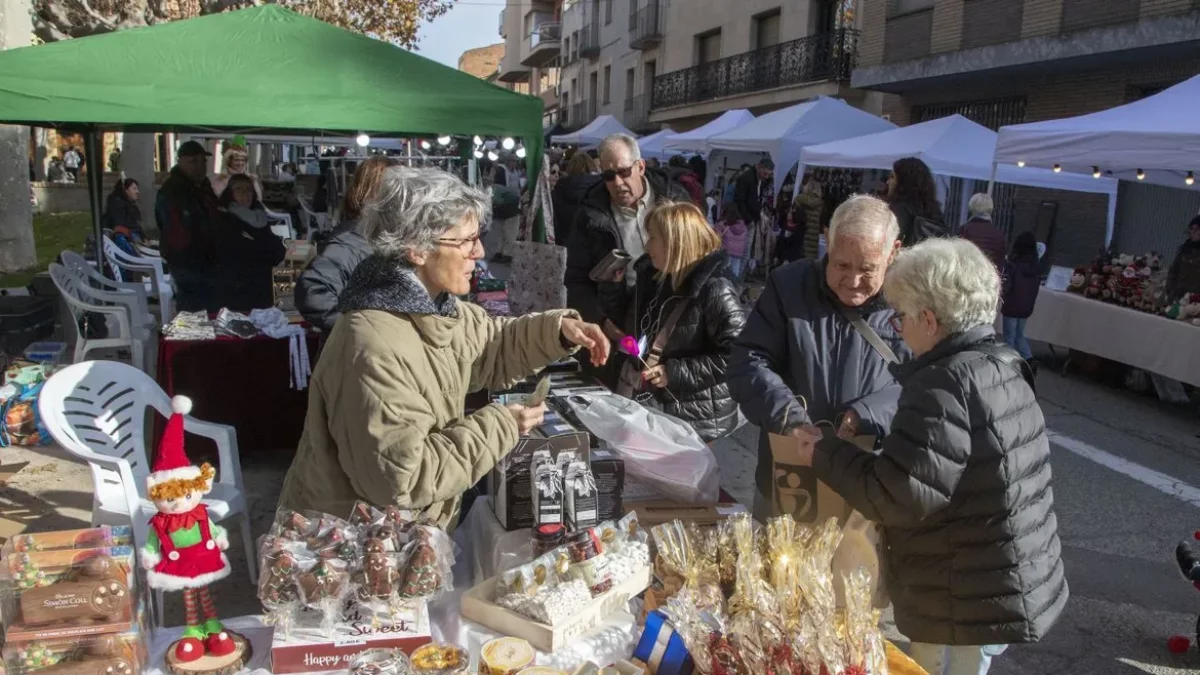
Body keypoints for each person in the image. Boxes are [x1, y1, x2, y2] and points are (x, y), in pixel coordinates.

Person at [276, 167, 611, 525]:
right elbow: (403, 477)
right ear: (417, 249)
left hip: (402, 542)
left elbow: (490, 347)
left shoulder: (431, 306)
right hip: (351, 552)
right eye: (465, 241)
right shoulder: (374, 345)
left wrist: (559, 330)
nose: (480, 251)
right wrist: (502, 425)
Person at [798, 238, 1067, 675]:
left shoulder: (944, 384)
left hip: (964, 592)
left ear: (928, 319)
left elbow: (899, 493)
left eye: (901, 316)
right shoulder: (1002, 362)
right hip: (999, 574)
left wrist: (825, 454)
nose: (897, 328)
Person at [727, 194, 911, 521]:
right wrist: (788, 418)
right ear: (827, 240)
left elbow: (925, 386)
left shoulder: (910, 302)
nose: (853, 281)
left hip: (869, 477)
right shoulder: (789, 285)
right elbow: (748, 360)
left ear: (893, 252)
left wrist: (867, 414)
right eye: (841, 265)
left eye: (867, 269)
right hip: (788, 472)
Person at [598, 202, 746, 442]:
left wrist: (674, 372)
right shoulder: (656, 275)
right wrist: (612, 286)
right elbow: (629, 321)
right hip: (654, 406)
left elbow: (736, 354)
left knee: (685, 478)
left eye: (653, 238)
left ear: (675, 242)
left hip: (695, 417)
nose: (646, 246)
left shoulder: (715, 288)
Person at [565, 133, 690, 330]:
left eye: (623, 172)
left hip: (674, 316)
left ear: (640, 167)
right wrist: (600, 321)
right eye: (608, 176)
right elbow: (576, 280)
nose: (617, 183)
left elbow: (701, 258)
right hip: (619, 321)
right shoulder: (589, 215)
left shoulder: (677, 199)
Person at [295, 156, 396, 332]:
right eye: (393, 189)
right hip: (361, 353)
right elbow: (313, 293)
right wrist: (361, 331)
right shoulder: (351, 241)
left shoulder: (391, 237)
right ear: (370, 192)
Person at [157, 141, 223, 312]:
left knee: (209, 306)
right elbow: (176, 230)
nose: (200, 166)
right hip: (187, 261)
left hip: (208, 260)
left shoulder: (203, 186)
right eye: (193, 161)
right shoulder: (174, 190)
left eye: (203, 161)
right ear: (181, 162)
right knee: (192, 309)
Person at [216, 174, 286, 312]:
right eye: (239, 190)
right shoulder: (224, 217)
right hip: (236, 288)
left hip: (262, 285)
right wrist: (265, 248)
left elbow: (277, 251)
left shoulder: (259, 215)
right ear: (230, 193)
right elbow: (239, 249)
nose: (245, 194)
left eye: (249, 190)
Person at [1001, 231, 1041, 363]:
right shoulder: (1036, 267)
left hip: (1012, 305)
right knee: (1019, 335)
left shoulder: (1012, 264)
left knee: (1009, 338)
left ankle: (1008, 364)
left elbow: (1007, 286)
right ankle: (1029, 360)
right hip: (1026, 307)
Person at [887, 157, 944, 246]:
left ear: (904, 182)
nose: (888, 182)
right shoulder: (934, 210)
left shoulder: (897, 209)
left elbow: (889, 243)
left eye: (892, 177)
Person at [552, 152, 601, 246]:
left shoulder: (559, 189)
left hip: (565, 245)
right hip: (594, 244)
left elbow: (555, 222)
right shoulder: (600, 187)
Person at [958, 193, 1007, 270]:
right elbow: (1000, 262)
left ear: (971, 207)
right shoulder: (999, 234)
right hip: (991, 277)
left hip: (969, 275)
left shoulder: (964, 230)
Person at [104, 178, 144, 253]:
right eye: (134, 188)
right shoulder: (117, 205)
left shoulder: (129, 205)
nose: (137, 191)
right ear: (125, 190)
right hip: (125, 244)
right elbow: (120, 226)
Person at [1166, 216, 1200, 301]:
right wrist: (1170, 290)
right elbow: (1173, 271)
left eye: (1198, 229)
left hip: (1196, 299)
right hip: (1178, 296)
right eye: (1192, 229)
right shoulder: (1184, 249)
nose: (1194, 232)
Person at [733, 158, 774, 227]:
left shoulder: (760, 178)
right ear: (759, 167)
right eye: (765, 174)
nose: (766, 177)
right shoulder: (745, 178)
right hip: (745, 220)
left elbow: (757, 198)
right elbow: (739, 201)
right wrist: (748, 219)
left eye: (769, 175)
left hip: (753, 218)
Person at [714, 203, 748, 279]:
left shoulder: (722, 223)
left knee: (723, 275)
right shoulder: (743, 226)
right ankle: (733, 288)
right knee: (734, 275)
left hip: (725, 252)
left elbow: (715, 237)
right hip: (738, 254)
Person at [794, 179, 825, 259]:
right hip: (813, 239)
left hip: (801, 236)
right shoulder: (820, 204)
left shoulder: (799, 199)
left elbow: (795, 217)